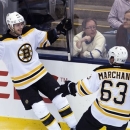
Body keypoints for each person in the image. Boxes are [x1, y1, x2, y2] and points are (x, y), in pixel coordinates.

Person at [0, 12, 77, 130]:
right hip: (23, 84)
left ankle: (74, 126)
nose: (20, 27)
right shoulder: (3, 43)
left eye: (21, 24)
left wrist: (59, 29)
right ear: (10, 26)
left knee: (60, 98)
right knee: (40, 109)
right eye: (17, 25)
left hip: (40, 74)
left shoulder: (30, 31)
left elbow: (46, 38)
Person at [59, 46, 129, 130]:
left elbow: (86, 88)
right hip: (121, 119)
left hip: (100, 113)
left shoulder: (101, 71)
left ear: (113, 59)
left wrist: (70, 87)